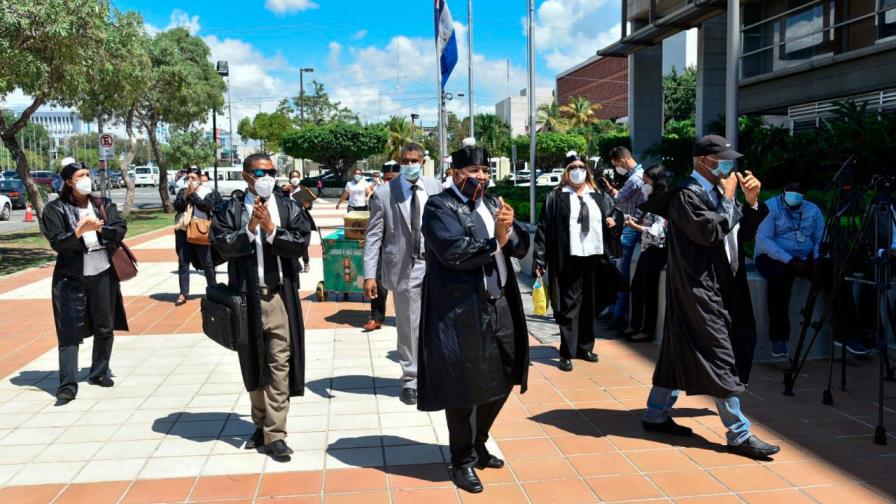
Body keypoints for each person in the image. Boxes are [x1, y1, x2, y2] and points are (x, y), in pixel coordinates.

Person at [639, 135, 779, 460]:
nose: (729, 166)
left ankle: (655, 413)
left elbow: (737, 234)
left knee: (676, 350)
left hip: (721, 284)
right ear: (704, 161)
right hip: (697, 289)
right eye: (723, 159)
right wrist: (730, 201)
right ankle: (739, 433)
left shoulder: (717, 193)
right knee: (719, 354)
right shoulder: (686, 196)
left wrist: (752, 203)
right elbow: (708, 232)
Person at [418, 142, 530, 494]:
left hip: (499, 304)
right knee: (463, 389)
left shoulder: (493, 203)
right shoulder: (439, 207)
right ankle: (462, 459)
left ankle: (480, 440)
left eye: (484, 172)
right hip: (461, 309)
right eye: (473, 172)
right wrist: (497, 239)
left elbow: (521, 246)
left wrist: (510, 231)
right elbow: (453, 252)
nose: (480, 177)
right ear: (455, 174)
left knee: (510, 371)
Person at [210, 153, 310, 460]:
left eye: (271, 171)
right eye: (259, 172)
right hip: (246, 298)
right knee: (253, 361)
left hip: (278, 297)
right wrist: (250, 228)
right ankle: (260, 423)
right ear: (246, 176)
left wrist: (271, 230)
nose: (266, 176)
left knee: (279, 363)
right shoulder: (232, 209)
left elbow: (301, 241)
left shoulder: (288, 206)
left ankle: (276, 433)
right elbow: (221, 245)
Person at [42, 161, 129, 402]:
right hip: (70, 278)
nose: (86, 179)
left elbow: (120, 228)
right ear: (69, 181)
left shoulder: (101, 204)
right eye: (81, 175)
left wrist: (101, 229)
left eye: (88, 174)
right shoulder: (55, 209)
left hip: (102, 272)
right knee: (68, 330)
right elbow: (58, 242)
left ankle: (99, 371)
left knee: (105, 324)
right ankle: (68, 384)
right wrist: (79, 232)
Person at [364, 149, 443, 404]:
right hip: (404, 267)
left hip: (436, 265)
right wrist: (369, 275)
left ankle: (435, 373)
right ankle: (411, 379)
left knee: (436, 323)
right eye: (405, 162)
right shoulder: (386, 192)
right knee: (409, 325)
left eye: (414, 161)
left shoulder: (435, 187)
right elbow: (374, 235)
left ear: (423, 162)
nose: (410, 165)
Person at [533, 151, 623, 372]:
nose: (577, 171)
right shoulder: (556, 197)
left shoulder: (599, 196)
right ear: (566, 172)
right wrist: (539, 257)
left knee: (590, 303)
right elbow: (543, 229)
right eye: (572, 168)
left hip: (594, 257)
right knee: (569, 305)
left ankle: (585, 347)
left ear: (587, 171)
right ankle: (566, 351)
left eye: (581, 167)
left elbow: (617, 214)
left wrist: (613, 221)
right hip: (568, 257)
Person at [754, 182, 830, 357]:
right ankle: (778, 339)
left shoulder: (813, 210)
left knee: (834, 271)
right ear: (784, 190)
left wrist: (818, 257)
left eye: (799, 190)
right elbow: (765, 241)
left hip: (805, 256)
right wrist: (790, 261)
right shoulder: (770, 207)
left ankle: (847, 332)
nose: (795, 193)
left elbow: (821, 237)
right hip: (773, 257)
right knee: (779, 279)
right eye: (791, 189)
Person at [624, 165, 670, 343]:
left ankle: (647, 330)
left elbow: (658, 231)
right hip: (646, 249)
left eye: (647, 180)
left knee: (649, 290)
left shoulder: (663, 201)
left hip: (657, 250)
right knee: (637, 287)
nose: (644, 183)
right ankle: (635, 325)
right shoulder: (651, 199)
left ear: (656, 180)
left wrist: (636, 227)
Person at [603, 146, 646, 330]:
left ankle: (618, 314)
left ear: (622, 161)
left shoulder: (635, 178)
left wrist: (609, 189)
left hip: (630, 226)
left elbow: (619, 199)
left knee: (620, 270)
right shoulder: (637, 175)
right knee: (616, 267)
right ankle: (614, 309)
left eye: (615, 165)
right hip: (627, 223)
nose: (616, 169)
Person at [363, 160, 402, 333]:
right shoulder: (379, 194)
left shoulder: (410, 194)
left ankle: (406, 318)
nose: (389, 182)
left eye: (392, 178)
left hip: (404, 248)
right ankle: (376, 317)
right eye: (386, 179)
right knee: (378, 282)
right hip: (382, 247)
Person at [173, 169, 217, 306]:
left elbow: (206, 206)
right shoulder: (182, 191)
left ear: (199, 179)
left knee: (207, 261)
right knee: (183, 261)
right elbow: (178, 206)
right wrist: (187, 195)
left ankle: (213, 289)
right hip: (183, 230)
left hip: (200, 229)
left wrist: (194, 195)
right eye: (188, 178)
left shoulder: (207, 191)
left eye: (193, 177)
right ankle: (183, 293)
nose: (190, 180)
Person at [282, 170, 315, 273]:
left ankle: (306, 262)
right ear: (289, 178)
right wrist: (283, 190)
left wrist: (307, 206)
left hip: (301, 218)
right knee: (290, 242)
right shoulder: (286, 190)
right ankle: (294, 263)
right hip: (288, 219)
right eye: (293, 177)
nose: (295, 179)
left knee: (303, 242)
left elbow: (309, 206)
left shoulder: (303, 190)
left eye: (297, 176)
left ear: (300, 178)